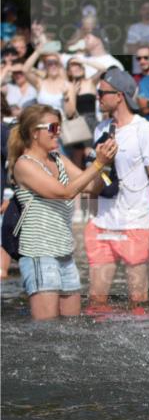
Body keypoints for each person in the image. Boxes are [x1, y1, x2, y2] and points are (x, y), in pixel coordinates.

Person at [7, 104, 118, 319]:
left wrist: (104, 164)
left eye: (59, 127)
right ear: (34, 132)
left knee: (71, 327)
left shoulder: (58, 158)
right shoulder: (24, 165)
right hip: (39, 254)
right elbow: (64, 193)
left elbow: (92, 188)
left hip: (64, 253)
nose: (58, 132)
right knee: (47, 329)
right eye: (53, 127)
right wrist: (97, 164)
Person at [85, 68, 149, 313]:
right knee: (96, 301)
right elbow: (96, 178)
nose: (98, 97)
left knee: (138, 301)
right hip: (103, 222)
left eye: (102, 92)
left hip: (136, 222)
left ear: (119, 96)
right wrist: (91, 211)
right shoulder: (101, 129)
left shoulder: (144, 130)